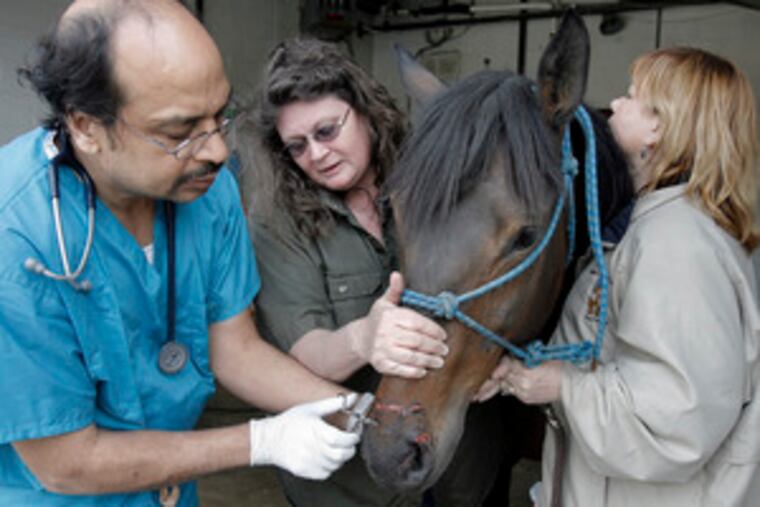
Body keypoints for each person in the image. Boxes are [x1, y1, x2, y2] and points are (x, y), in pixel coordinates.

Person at [0, 1, 367, 505]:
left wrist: (355, 408)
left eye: (221, 116)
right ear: (85, 126)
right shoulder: (16, 238)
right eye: (179, 132)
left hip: (168, 490)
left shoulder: (205, 189)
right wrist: (261, 441)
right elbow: (67, 462)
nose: (216, 150)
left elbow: (231, 347)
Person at [479, 47, 760, 506]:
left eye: (632, 97)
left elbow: (675, 422)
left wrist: (562, 387)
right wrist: (521, 374)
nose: (618, 102)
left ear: (661, 126)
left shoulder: (677, 245)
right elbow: (609, 352)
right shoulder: (654, 226)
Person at [245, 37, 450, 507]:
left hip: (441, 455)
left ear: (364, 111)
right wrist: (365, 337)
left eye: (327, 131)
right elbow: (306, 353)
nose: (316, 155)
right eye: (296, 146)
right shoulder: (277, 220)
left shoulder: (426, 181)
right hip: (346, 483)